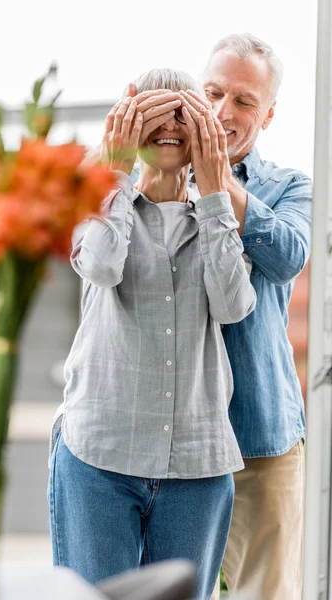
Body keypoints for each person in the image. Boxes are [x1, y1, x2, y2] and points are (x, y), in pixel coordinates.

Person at [47, 68, 256, 600]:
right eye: (152, 116)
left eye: (183, 117)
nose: (168, 129)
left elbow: (233, 306)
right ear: (127, 130)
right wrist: (112, 171)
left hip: (198, 462)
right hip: (100, 455)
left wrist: (213, 192)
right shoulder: (96, 202)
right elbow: (99, 265)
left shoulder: (218, 219)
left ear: (202, 134)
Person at [132, 34, 312, 600]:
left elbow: (287, 257)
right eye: (212, 93)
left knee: (266, 592)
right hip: (174, 444)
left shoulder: (291, 187)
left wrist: (217, 185)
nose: (221, 112)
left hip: (261, 437)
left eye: (243, 101)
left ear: (269, 114)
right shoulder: (156, 176)